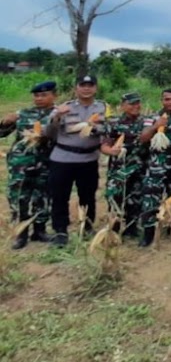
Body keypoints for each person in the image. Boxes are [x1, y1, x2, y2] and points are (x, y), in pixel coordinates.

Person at [45, 75, 107, 247]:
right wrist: (57, 117)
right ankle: (60, 231)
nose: (86, 88)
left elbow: (109, 128)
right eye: (82, 85)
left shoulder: (102, 107)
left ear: (96, 88)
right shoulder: (63, 108)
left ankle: (86, 226)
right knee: (59, 196)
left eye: (90, 85)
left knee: (87, 195)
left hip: (88, 159)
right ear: (76, 88)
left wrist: (94, 128)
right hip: (63, 158)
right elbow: (48, 133)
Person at [0, 80, 57, 249]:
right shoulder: (23, 114)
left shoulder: (60, 114)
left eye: (44, 95)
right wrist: (5, 122)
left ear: (54, 95)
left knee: (43, 197)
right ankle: (21, 233)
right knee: (19, 198)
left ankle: (39, 231)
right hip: (21, 164)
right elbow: (1, 134)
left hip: (46, 162)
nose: (39, 98)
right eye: (36, 95)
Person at [138, 88, 171, 246]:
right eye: (167, 99)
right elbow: (143, 138)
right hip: (156, 167)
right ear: (162, 101)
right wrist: (156, 126)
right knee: (150, 200)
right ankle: (148, 234)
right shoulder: (152, 117)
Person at [101, 92, 148, 238]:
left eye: (138, 103)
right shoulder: (113, 123)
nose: (136, 106)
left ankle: (132, 229)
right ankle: (114, 230)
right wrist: (111, 151)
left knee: (136, 199)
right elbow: (104, 145)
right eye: (132, 104)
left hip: (139, 168)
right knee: (115, 199)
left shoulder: (146, 122)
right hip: (119, 169)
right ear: (122, 106)